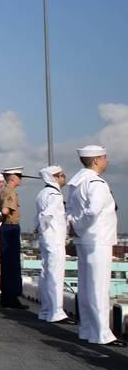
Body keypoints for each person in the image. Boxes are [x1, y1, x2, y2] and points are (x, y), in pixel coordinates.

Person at [67, 145, 125, 346]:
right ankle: (102, 334)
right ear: (97, 160)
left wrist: (74, 228)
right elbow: (92, 212)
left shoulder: (76, 182)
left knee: (85, 286)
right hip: (97, 240)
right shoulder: (96, 183)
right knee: (99, 288)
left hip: (84, 240)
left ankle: (87, 330)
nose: (107, 161)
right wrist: (81, 227)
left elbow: (70, 211)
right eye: (105, 157)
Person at [35, 165, 74, 325]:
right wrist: (44, 230)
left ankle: (45, 310)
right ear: (55, 177)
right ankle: (56, 312)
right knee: (55, 275)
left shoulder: (42, 193)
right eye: (62, 175)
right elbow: (46, 215)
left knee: (46, 274)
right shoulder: (55, 195)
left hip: (47, 239)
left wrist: (39, 231)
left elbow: (38, 217)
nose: (64, 177)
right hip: (54, 239)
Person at [0, 167, 27, 308]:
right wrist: (3, 217)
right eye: (20, 176)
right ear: (13, 178)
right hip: (11, 228)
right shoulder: (10, 192)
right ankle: (11, 297)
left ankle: (6, 296)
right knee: (12, 264)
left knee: (6, 264)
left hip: (5, 228)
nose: (21, 178)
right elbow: (5, 210)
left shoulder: (2, 191)